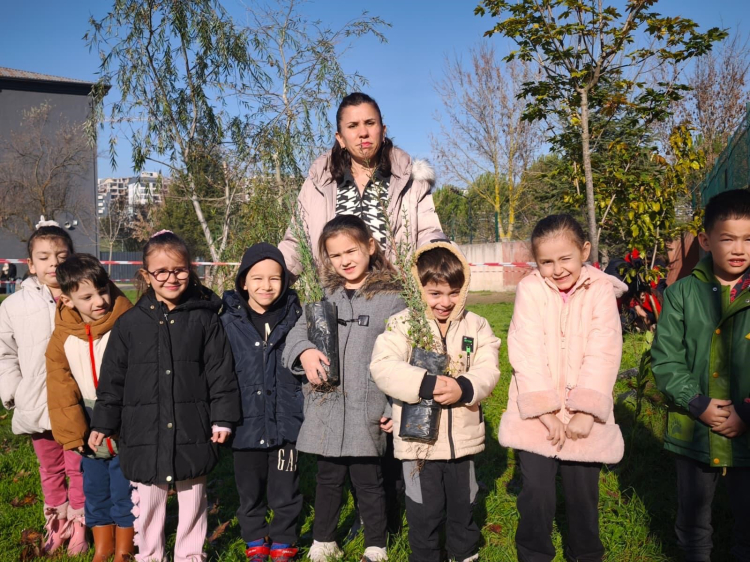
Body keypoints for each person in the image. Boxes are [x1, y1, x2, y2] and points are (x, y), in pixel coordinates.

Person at [88, 230, 241, 562]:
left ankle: (190, 554)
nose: (171, 278)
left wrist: (223, 417)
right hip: (144, 429)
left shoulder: (205, 319)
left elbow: (221, 373)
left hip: (193, 425)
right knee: (149, 501)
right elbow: (113, 380)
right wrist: (102, 421)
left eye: (179, 270)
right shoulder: (129, 324)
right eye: (161, 271)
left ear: (190, 269)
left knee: (193, 497)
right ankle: (150, 554)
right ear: (146, 275)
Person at [497, 214, 624, 562]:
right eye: (546, 262)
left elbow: (604, 350)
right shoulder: (530, 290)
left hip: (585, 419)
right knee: (536, 493)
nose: (557, 269)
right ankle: (534, 553)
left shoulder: (600, 290)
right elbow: (525, 351)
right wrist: (545, 411)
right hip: (537, 416)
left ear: (584, 250)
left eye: (565, 258)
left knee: (583, 496)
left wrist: (587, 410)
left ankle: (585, 554)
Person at [282, 215, 405, 562]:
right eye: (335, 255)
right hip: (328, 405)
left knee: (369, 480)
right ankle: (324, 540)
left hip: (368, 404)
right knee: (328, 477)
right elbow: (297, 333)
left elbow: (404, 357)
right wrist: (304, 352)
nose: (344, 261)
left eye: (351, 251)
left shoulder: (393, 298)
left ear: (370, 246)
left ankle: (376, 544)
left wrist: (394, 406)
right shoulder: (326, 293)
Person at [370, 242, 501, 562]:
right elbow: (383, 366)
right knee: (423, 510)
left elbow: (489, 368)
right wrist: (425, 383)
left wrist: (465, 388)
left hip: (462, 442)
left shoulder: (476, 326)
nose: (445, 302)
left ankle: (464, 552)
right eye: (435, 293)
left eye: (453, 293)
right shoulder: (402, 324)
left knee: (463, 504)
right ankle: (426, 555)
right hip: (418, 446)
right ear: (419, 288)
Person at [651, 189, 750, 562]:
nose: (739, 249)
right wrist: (696, 402)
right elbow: (666, 358)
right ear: (706, 241)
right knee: (693, 522)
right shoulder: (681, 294)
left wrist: (746, 411)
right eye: (728, 239)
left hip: (747, 429)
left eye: (748, 239)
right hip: (694, 429)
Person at [278, 92, 446, 277]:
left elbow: (429, 234)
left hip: (397, 292)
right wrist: (270, 272)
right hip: (333, 294)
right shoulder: (318, 184)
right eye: (353, 126)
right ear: (340, 138)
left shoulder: (410, 182)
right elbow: (296, 244)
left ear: (383, 131)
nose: (363, 133)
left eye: (370, 123)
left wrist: (442, 259)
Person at [0, 219, 88, 555]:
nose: (54, 263)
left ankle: (79, 524)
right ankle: (56, 522)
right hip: (37, 401)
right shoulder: (13, 306)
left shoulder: (84, 297)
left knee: (78, 467)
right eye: (44, 257)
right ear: (31, 264)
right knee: (50, 468)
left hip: (77, 402)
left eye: (61, 256)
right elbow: (4, 353)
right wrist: (14, 391)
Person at [45, 254, 134, 561]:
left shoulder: (128, 322)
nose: (99, 301)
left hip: (124, 422)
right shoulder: (62, 337)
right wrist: (73, 433)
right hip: (87, 424)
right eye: (87, 297)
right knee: (94, 491)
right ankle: (102, 548)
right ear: (67, 301)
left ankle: (124, 549)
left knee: (125, 490)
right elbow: (60, 387)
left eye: (103, 291)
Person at [220, 243, 303, 562]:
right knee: (249, 490)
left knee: (286, 489)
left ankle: (284, 539)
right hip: (246, 424)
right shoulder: (228, 322)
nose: (266, 285)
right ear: (243, 282)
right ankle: (255, 537)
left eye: (274, 278)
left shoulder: (297, 318)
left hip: (286, 424)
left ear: (284, 281)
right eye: (257, 278)